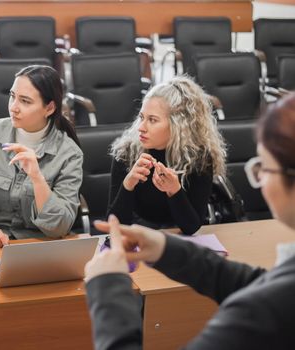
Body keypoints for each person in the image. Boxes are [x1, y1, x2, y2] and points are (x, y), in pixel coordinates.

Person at [84, 92, 295, 349]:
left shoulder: (263, 309)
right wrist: (167, 249)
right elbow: (254, 282)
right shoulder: (278, 288)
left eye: (263, 166)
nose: (260, 180)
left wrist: (108, 289)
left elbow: (263, 292)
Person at [0, 65, 83, 247]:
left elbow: (59, 226)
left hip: (37, 242)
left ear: (49, 108)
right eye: (12, 96)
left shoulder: (69, 153)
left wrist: (37, 178)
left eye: (25, 101)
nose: (14, 107)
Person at [108, 76, 226, 235]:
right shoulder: (126, 152)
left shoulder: (198, 158)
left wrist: (174, 191)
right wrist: (128, 184)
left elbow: (191, 227)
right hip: (139, 238)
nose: (141, 128)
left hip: (180, 242)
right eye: (141, 117)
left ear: (178, 126)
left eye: (152, 120)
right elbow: (114, 226)